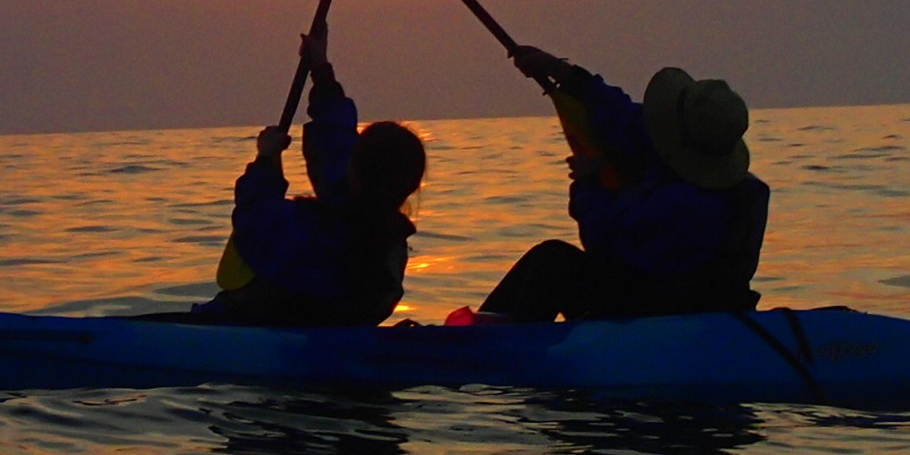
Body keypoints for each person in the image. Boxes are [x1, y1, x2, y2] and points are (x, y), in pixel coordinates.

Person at [477, 45, 768, 322]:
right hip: (652, 296)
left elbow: (604, 247)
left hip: (655, 315)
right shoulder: (696, 153)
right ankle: (475, 334)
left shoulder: (688, 207)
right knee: (548, 258)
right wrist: (563, 73)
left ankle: (504, 350)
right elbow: (627, 121)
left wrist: (589, 184)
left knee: (553, 265)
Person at [175, 32, 426, 326]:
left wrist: (266, 160)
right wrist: (320, 70)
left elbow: (256, 220)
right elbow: (335, 147)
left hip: (264, 333)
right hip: (342, 335)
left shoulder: (314, 232)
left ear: (355, 169)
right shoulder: (388, 242)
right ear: (410, 187)